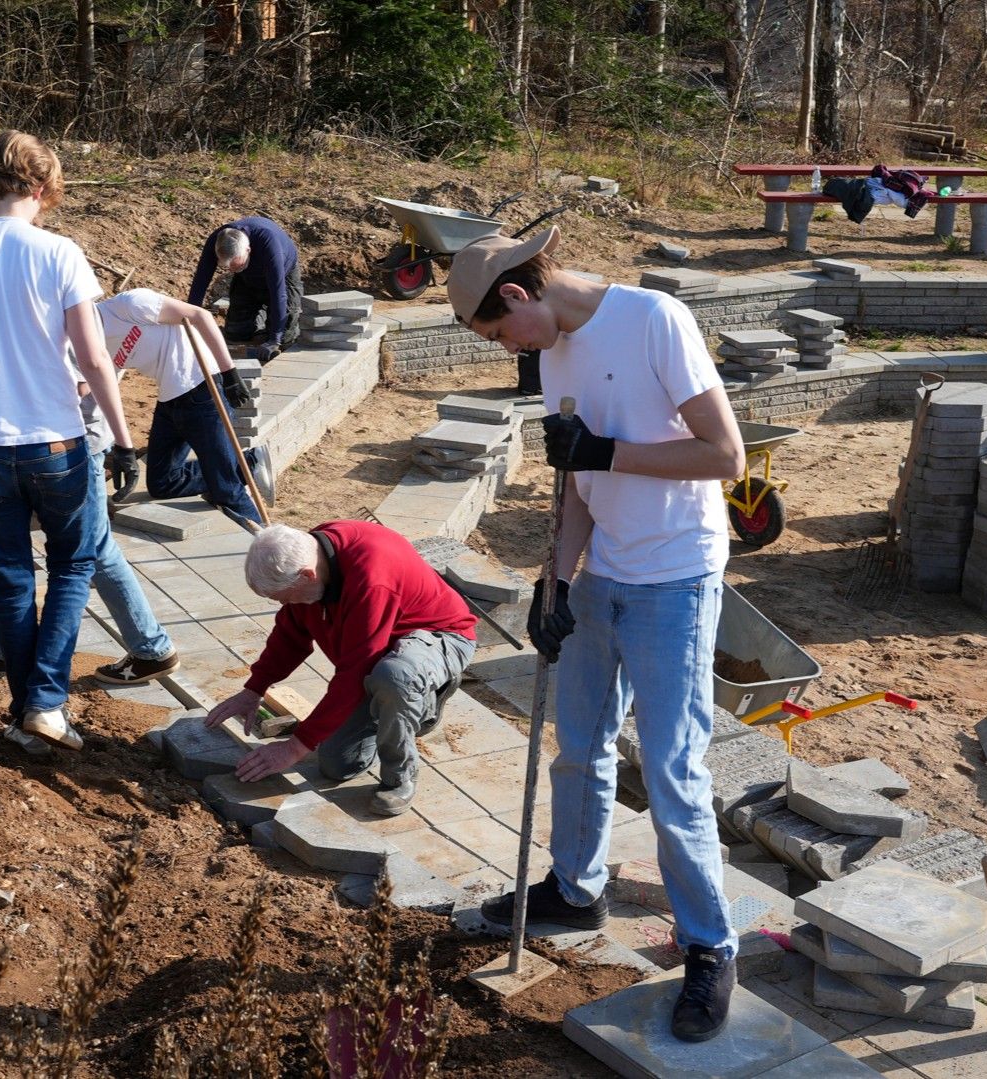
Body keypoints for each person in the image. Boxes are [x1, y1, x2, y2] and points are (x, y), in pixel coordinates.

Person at [446, 227, 747, 1043]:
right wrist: (555, 578)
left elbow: (725, 454)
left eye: (501, 334)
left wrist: (607, 450)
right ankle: (575, 889)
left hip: (674, 577)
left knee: (674, 768)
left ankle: (710, 945)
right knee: (577, 744)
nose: (509, 350)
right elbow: (576, 481)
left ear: (516, 296)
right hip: (602, 571)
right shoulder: (552, 355)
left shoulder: (654, 320)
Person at [0, 129, 139, 754]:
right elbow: (94, 359)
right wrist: (123, 441)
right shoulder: (59, 253)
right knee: (74, 564)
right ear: (40, 189)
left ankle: (26, 715)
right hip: (57, 444)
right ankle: (43, 703)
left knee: (9, 579)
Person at [0, 188, 182, 703]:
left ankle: (146, 645)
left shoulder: (45, 272)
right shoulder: (0, 277)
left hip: (70, 439)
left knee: (84, 552)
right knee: (40, 554)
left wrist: (121, 442)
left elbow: (82, 371)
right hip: (32, 439)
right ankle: (9, 650)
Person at [203, 522, 476, 816]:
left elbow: (355, 670)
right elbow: (290, 636)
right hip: (378, 653)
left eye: (282, 597)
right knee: (338, 765)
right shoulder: (312, 557)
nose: (282, 603)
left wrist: (294, 747)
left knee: (395, 677)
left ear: (308, 575)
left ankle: (400, 776)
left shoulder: (371, 578)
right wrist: (254, 688)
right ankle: (393, 708)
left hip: (438, 638)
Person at [97, 287, 262, 527]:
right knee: (163, 483)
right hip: (170, 399)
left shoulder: (127, 305)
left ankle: (272, 552)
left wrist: (229, 373)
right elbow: (105, 390)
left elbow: (199, 316)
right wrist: (122, 448)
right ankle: (249, 463)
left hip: (202, 388)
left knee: (225, 489)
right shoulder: (93, 345)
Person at [185, 216, 302, 359]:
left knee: (285, 335)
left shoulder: (268, 244)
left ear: (248, 250)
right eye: (228, 267)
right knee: (236, 333)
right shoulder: (217, 241)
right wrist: (189, 323)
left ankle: (271, 326)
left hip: (284, 275)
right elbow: (200, 283)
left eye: (237, 265)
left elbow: (278, 292)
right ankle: (260, 324)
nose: (231, 271)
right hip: (247, 276)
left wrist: (274, 340)